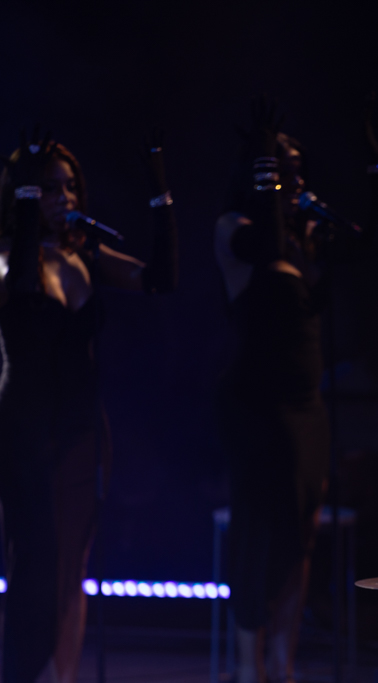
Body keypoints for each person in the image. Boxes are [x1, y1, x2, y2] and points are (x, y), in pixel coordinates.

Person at [0, 131, 177, 683]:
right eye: (49, 187)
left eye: (70, 186)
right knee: (34, 560)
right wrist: (26, 201)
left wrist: (159, 193)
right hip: (25, 430)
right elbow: (24, 287)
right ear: (24, 192)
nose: (65, 197)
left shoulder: (86, 256)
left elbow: (160, 279)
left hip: (81, 431)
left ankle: (63, 676)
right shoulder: (5, 258)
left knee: (72, 562)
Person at [213, 101, 330, 683]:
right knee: (257, 530)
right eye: (281, 169)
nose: (293, 180)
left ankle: (282, 662)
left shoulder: (303, 239)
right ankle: (246, 663)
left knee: (300, 531)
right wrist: (266, 166)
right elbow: (264, 248)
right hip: (258, 407)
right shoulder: (235, 228)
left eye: (296, 170)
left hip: (308, 408)